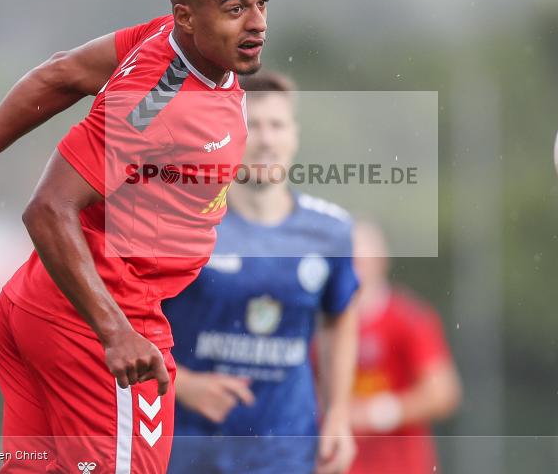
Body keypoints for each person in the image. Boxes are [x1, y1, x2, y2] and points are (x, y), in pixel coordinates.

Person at [0, 0, 270, 474]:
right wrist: (115, 332)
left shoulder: (172, 39)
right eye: (235, 8)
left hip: (36, 305)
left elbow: (63, 72)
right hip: (101, 321)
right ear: (187, 16)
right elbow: (47, 209)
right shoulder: (154, 104)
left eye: (263, 3)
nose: (257, 22)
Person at [163, 72, 358, 474]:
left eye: (277, 126)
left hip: (285, 449)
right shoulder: (182, 223)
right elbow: (126, 316)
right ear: (228, 133)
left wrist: (339, 413)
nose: (267, 140)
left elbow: (340, 318)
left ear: (294, 135)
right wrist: (181, 383)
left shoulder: (331, 230)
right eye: (253, 126)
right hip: (187, 444)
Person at [347, 220, 462, 474]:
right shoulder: (320, 323)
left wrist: (381, 412)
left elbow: (444, 392)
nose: (357, 269)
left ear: (383, 260)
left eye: (364, 260)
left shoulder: (409, 318)